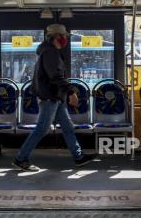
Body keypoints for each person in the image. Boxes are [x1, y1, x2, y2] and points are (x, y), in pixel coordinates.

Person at [12, 24, 97, 171]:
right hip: (50, 98)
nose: (66, 40)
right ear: (57, 37)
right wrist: (71, 92)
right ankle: (20, 159)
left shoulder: (47, 51)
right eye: (64, 37)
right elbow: (55, 76)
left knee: (68, 127)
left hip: (55, 98)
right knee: (41, 129)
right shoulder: (50, 53)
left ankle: (79, 157)